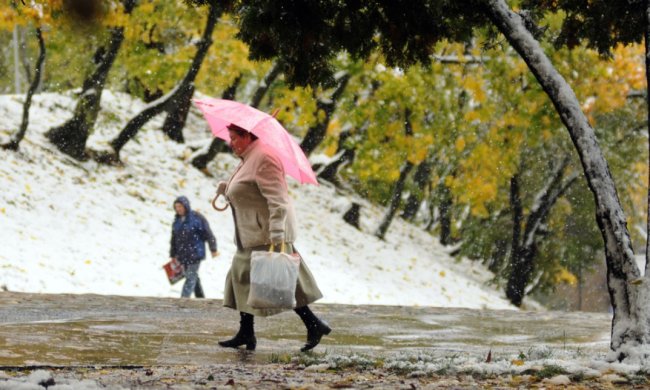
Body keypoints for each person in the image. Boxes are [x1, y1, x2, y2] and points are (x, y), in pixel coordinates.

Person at [215, 123, 330, 352]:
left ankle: (313, 324)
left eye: (235, 138)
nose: (231, 143)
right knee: (246, 279)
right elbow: (248, 187)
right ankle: (247, 331)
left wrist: (276, 236)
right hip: (252, 233)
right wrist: (226, 188)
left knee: (280, 284)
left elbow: (278, 201)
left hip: (266, 235)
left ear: (247, 135)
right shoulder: (249, 156)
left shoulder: (264, 157)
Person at [170, 196, 219, 298]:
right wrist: (173, 254)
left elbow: (208, 234)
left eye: (180, 206)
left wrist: (213, 249)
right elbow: (174, 239)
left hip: (195, 253)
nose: (178, 209)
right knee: (193, 276)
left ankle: (183, 300)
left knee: (190, 277)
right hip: (182, 255)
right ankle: (201, 298)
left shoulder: (197, 218)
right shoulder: (177, 221)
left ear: (186, 206)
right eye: (176, 207)